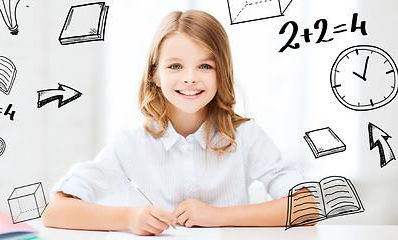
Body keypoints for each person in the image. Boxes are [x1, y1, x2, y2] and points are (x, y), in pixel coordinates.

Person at [42, 9, 315, 235]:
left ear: (222, 74)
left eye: (205, 66)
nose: (190, 78)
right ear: (156, 75)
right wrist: (128, 219)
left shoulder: (245, 137)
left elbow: (308, 208)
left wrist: (216, 216)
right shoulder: (131, 144)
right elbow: (55, 211)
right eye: (175, 66)